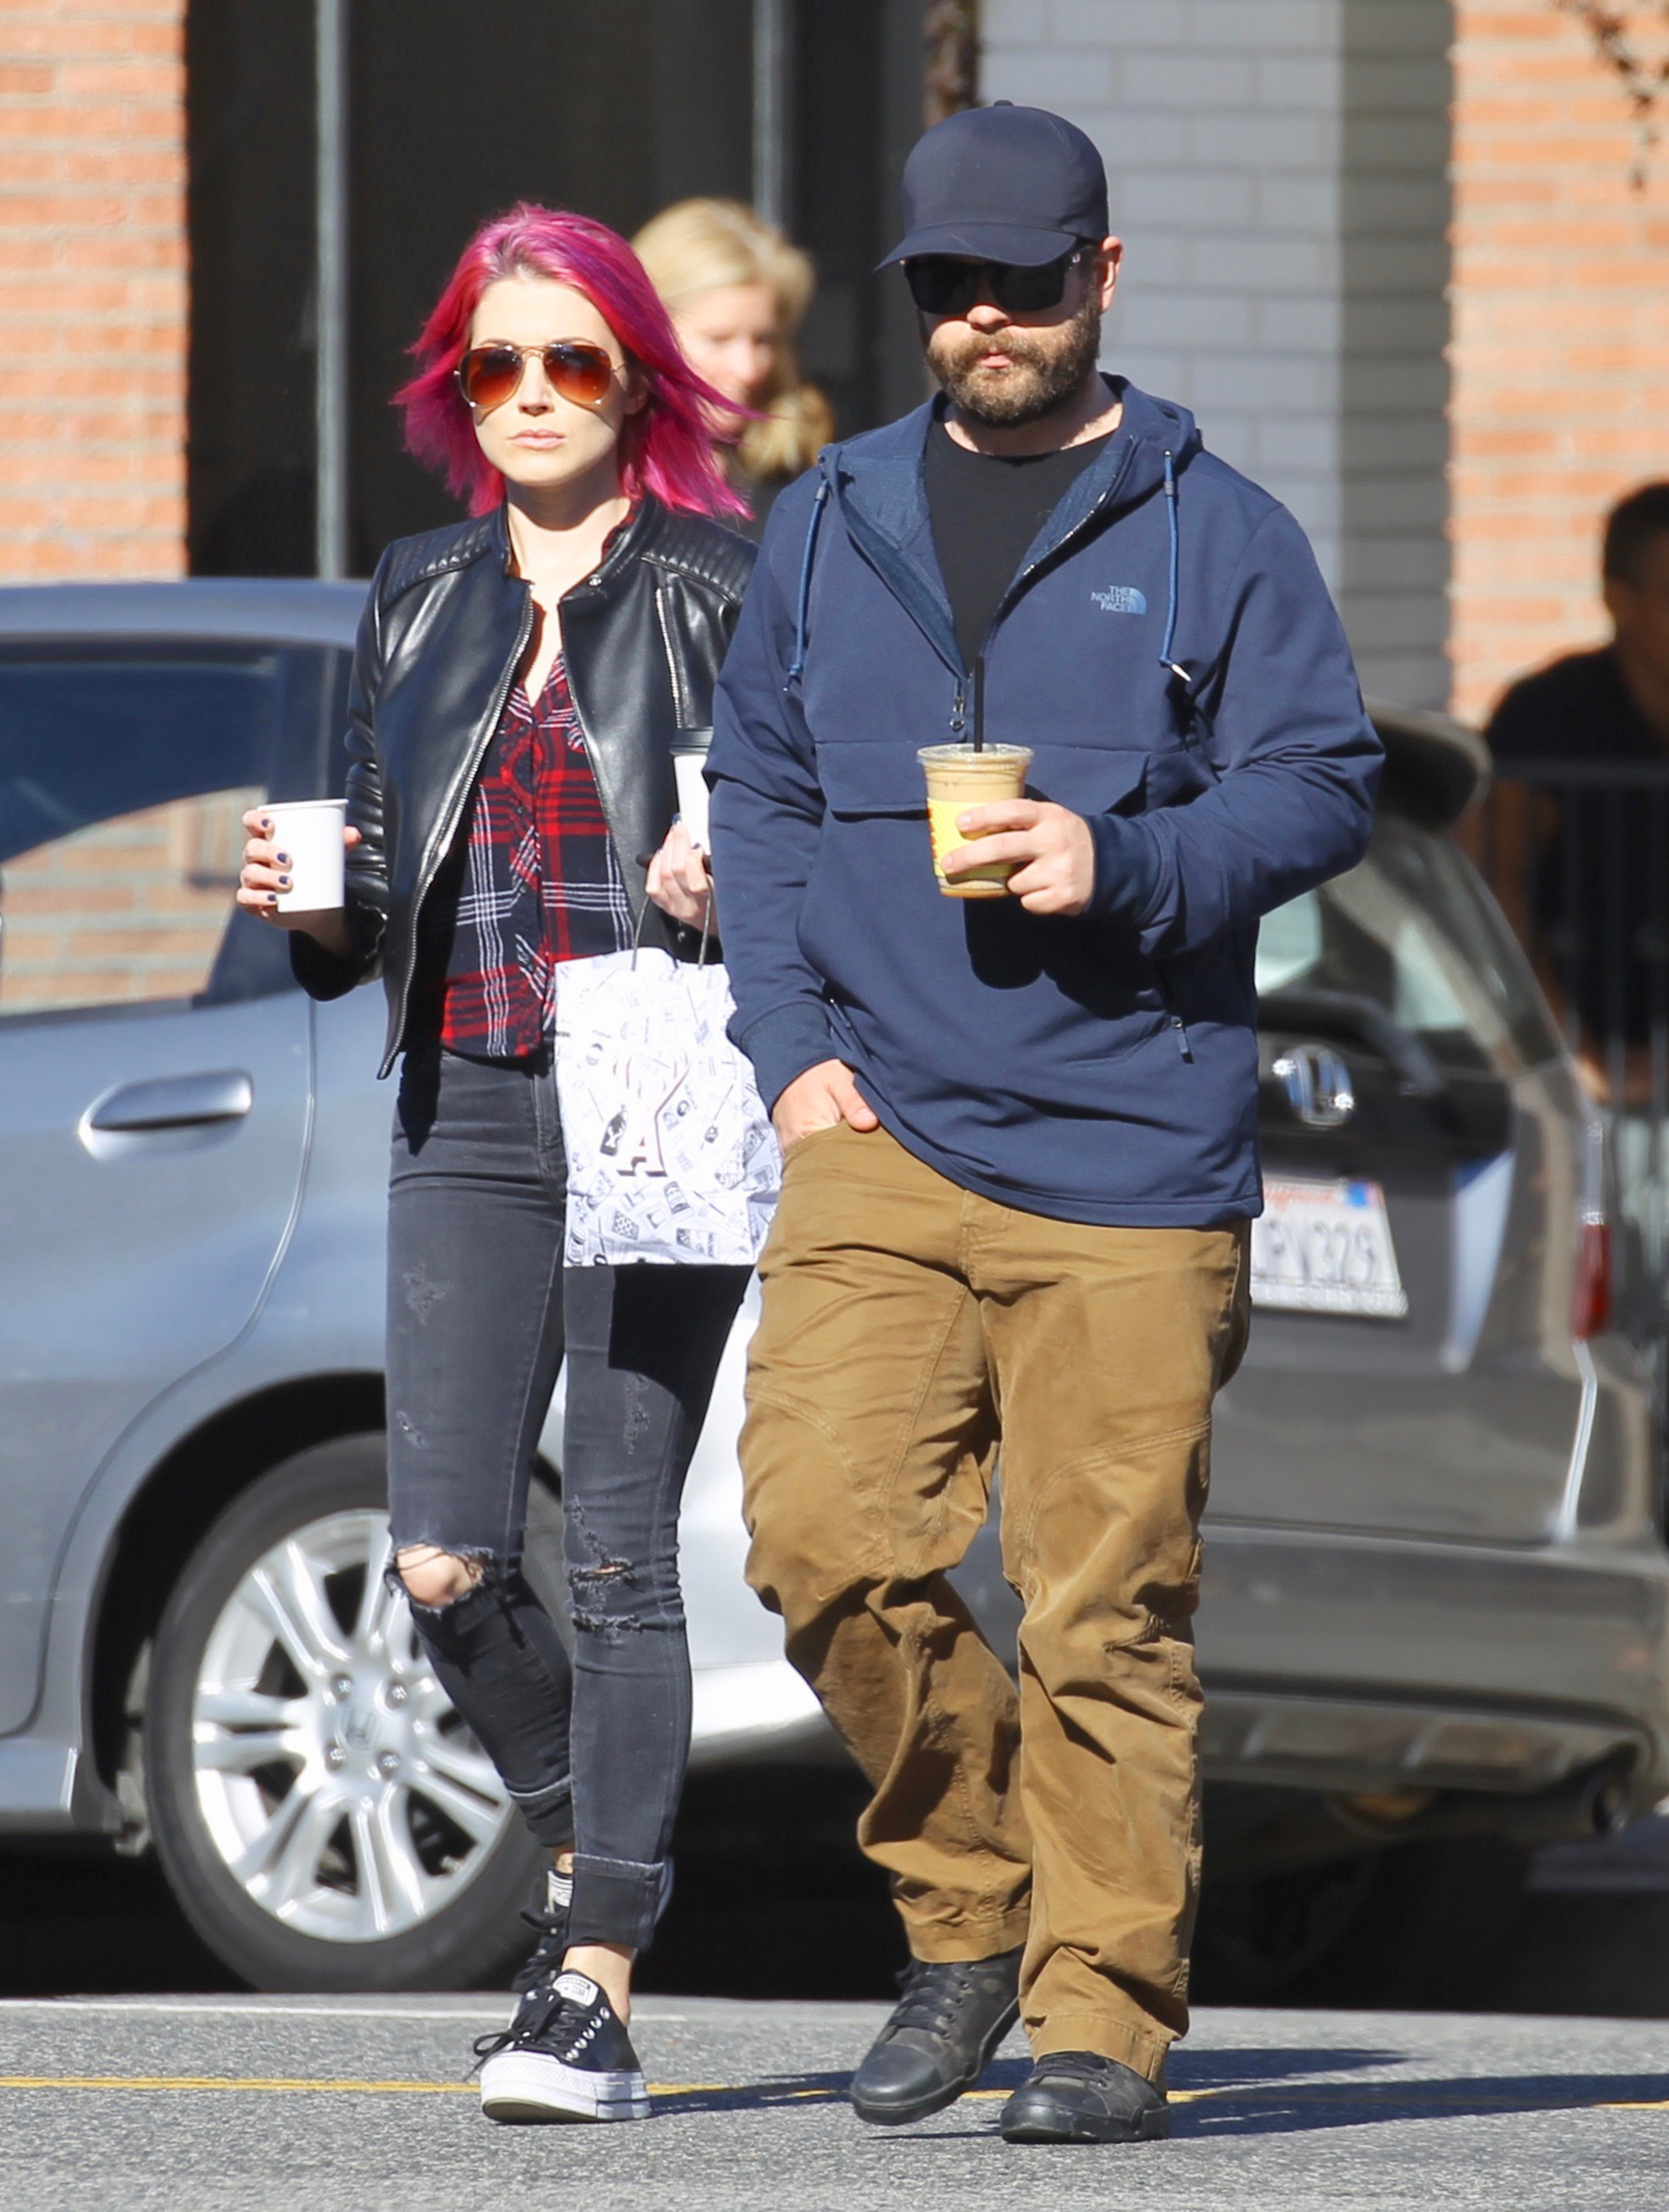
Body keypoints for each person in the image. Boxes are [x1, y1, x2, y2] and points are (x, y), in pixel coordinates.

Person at [708, 103, 1380, 2148]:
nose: (981, 320)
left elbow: (1323, 783)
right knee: (817, 1534)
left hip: (1126, 1159)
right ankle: (967, 1914)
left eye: (1019, 283)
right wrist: (789, 1048)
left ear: (1102, 276)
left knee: (1102, 1609)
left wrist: (1127, 861)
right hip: (877, 1130)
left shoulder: (1216, 528)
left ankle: (1100, 2012)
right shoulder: (827, 520)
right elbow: (752, 791)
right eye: (945, 289)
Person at [237, 202, 754, 2125]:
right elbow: (368, 881)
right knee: (446, 1553)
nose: (532, 396)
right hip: (459, 1087)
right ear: (459, 389)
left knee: (617, 1546)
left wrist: (739, 872)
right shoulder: (421, 587)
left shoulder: (723, 582)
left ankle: (596, 1982)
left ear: (632, 381)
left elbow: (805, 828)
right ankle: (581, 1854)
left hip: (650, 1075)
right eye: (496, 365)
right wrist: (302, 898)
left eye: (573, 362)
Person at [1484, 483, 1669, 1325]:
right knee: (1621, 1283)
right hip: (1599, 1061)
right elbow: (1495, 883)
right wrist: (1568, 1047)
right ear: (1618, 601)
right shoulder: (1548, 715)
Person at [633, 197, 834, 537]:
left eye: (763, 341)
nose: (748, 370)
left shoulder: (805, 484)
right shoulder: (592, 485)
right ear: (645, 336)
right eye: (718, 339)